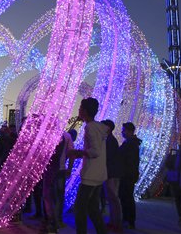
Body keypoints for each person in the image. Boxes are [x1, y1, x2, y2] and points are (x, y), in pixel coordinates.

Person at [68, 97, 108, 234]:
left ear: (84, 111)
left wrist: (78, 153)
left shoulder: (90, 127)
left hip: (90, 175)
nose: (78, 110)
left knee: (80, 208)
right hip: (99, 174)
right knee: (93, 208)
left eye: (80, 108)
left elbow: (95, 151)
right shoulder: (99, 127)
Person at [42, 129, 75, 233]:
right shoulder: (67, 136)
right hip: (60, 169)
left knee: (48, 195)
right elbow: (71, 154)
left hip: (50, 170)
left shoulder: (48, 135)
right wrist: (69, 169)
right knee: (58, 197)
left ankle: (52, 220)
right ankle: (56, 221)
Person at [100, 119, 123, 233]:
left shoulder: (110, 141)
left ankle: (117, 223)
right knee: (111, 198)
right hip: (110, 173)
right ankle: (113, 221)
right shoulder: (109, 140)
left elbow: (108, 158)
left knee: (113, 198)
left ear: (108, 128)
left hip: (112, 174)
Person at [118, 122, 141, 230]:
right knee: (125, 197)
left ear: (129, 131)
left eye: (124, 130)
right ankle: (127, 219)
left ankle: (130, 220)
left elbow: (130, 161)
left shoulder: (131, 144)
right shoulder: (130, 143)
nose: (122, 132)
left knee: (127, 197)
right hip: (127, 174)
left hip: (128, 175)